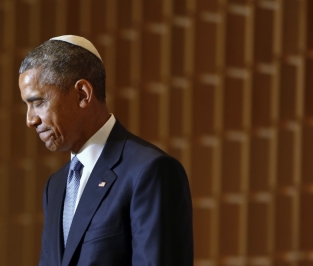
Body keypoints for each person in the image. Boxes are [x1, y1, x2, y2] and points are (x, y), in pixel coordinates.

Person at [18, 35, 193, 266]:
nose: (30, 120)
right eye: (27, 105)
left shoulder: (150, 171)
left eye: (38, 102)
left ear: (82, 94)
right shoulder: (56, 185)